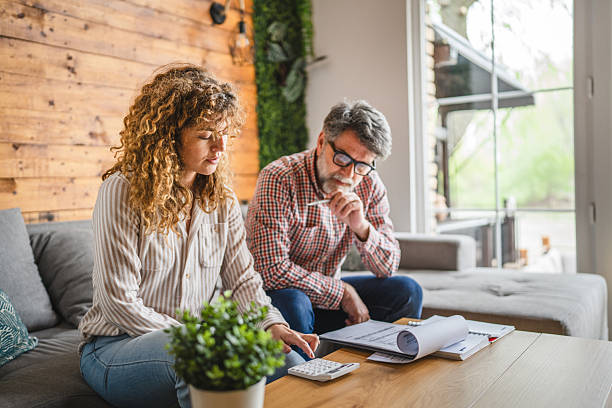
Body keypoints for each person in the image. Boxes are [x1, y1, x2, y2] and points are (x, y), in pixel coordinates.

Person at [78, 64, 318, 408]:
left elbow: (243, 282)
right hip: (114, 346)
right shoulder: (122, 191)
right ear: (168, 135)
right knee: (202, 361)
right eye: (206, 135)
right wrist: (204, 339)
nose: (220, 147)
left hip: (201, 342)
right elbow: (119, 303)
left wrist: (270, 324)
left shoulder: (222, 200)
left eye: (224, 134)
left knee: (290, 366)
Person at [245, 100, 423, 340]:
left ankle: (381, 365)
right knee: (294, 302)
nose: (349, 174)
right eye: (342, 158)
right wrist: (343, 292)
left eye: (362, 165)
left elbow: (387, 267)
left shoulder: (369, 183)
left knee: (408, 291)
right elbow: (270, 270)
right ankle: (308, 373)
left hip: (327, 300)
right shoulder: (280, 178)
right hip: (283, 301)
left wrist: (361, 228)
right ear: (321, 142)